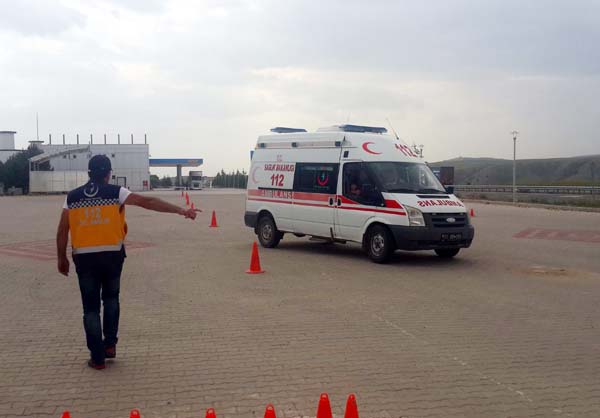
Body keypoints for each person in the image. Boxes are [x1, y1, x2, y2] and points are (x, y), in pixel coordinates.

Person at [56, 154, 200, 370]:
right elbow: (147, 202)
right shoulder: (116, 193)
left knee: (91, 309)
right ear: (108, 174)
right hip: (112, 257)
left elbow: (62, 229)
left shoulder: (72, 197)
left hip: (84, 259)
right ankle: (110, 345)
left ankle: (97, 358)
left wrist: (61, 257)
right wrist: (182, 211)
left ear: (88, 173)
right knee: (111, 299)